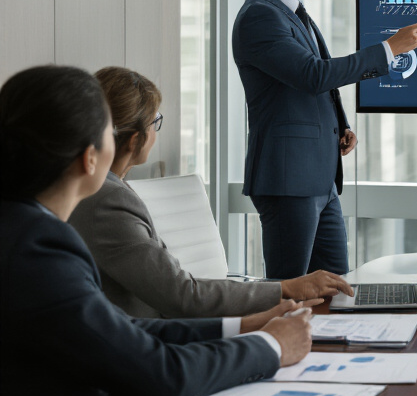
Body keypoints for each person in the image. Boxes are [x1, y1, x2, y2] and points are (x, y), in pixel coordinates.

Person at [0, 66, 313, 396]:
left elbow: (119, 328)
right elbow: (161, 374)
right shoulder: (38, 247)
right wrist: (273, 347)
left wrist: (242, 326)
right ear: (90, 158)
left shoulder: (21, 226)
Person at [232, 0, 417, 279]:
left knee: (335, 289)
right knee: (291, 292)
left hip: (320, 178)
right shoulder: (260, 17)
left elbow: (306, 82)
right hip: (288, 180)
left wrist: (339, 125)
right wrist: (390, 49)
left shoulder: (291, 13)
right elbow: (313, 74)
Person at [68, 66, 355, 319]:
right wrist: (285, 288)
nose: (157, 130)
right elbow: (181, 296)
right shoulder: (107, 199)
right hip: (154, 343)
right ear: (134, 140)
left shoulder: (97, 188)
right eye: (155, 121)